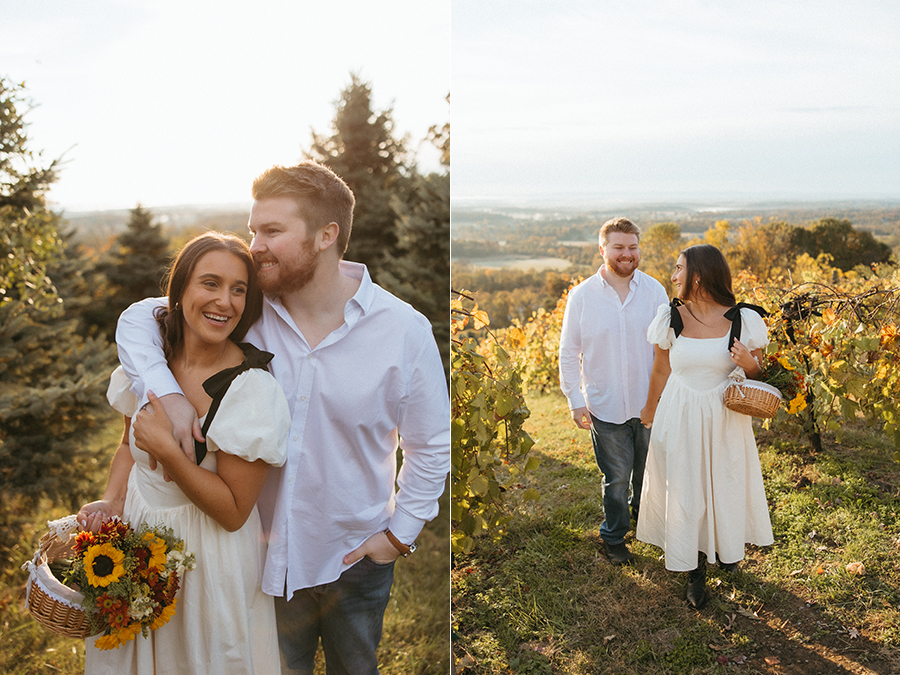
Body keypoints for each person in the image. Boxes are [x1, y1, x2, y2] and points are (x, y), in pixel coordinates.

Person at [115, 161, 450, 675]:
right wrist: (170, 396)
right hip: (253, 557)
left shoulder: (403, 331)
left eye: (272, 231)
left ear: (325, 235)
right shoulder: (247, 311)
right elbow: (141, 317)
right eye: (253, 230)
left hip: (352, 557)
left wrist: (399, 534)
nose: (256, 245)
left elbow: (430, 445)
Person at [78, 231, 292, 673]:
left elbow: (234, 511)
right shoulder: (153, 362)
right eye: (210, 283)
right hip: (140, 533)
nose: (225, 302)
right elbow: (126, 445)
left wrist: (172, 454)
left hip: (210, 560)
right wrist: (114, 499)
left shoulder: (249, 387)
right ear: (180, 291)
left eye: (238, 290)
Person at [637, 244, 774, 609]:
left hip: (725, 417)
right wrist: (649, 409)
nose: (673, 275)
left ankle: (726, 548)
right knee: (685, 486)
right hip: (680, 413)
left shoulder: (744, 319)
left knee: (724, 482)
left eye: (679, 268)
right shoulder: (671, 317)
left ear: (697, 275)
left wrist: (750, 363)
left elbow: (761, 376)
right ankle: (694, 569)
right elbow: (661, 368)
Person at [558, 217, 669, 565]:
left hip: (650, 404)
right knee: (617, 478)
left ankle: (647, 525)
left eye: (633, 247)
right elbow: (567, 351)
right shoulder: (581, 297)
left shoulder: (655, 291)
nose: (627, 254)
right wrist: (575, 400)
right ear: (603, 249)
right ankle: (614, 535)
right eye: (619, 247)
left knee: (650, 473)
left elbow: (666, 349)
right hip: (604, 406)